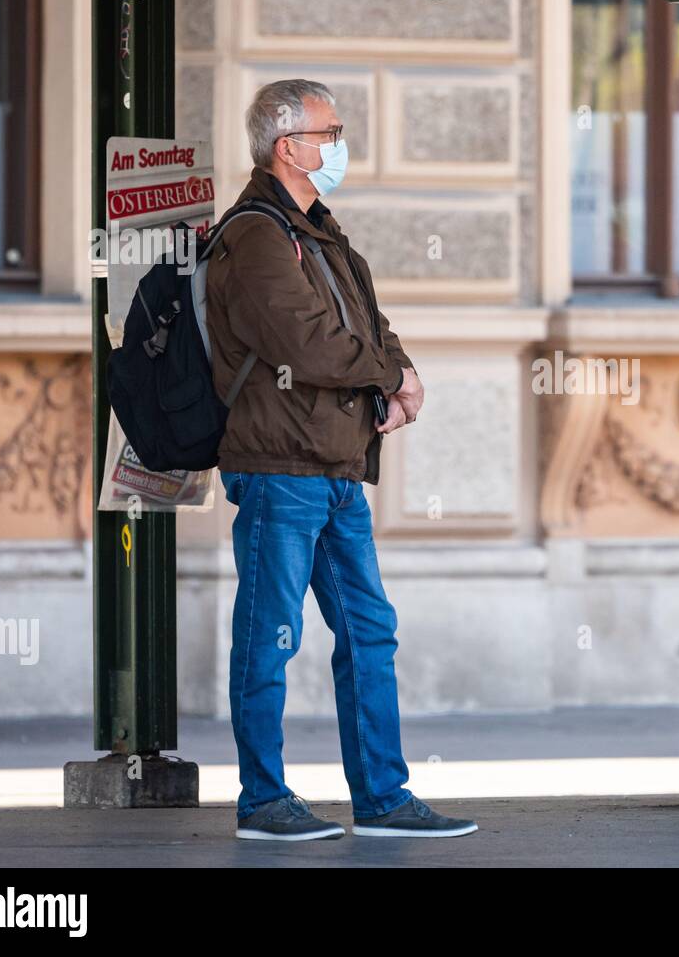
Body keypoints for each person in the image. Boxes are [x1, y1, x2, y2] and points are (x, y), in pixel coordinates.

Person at [206, 79, 476, 841]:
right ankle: (263, 800)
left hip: (335, 465)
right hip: (280, 465)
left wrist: (402, 371)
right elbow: (303, 342)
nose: (341, 145)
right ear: (287, 146)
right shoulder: (255, 235)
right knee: (271, 634)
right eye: (332, 132)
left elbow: (368, 323)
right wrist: (386, 376)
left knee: (368, 631)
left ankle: (383, 799)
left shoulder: (320, 231)